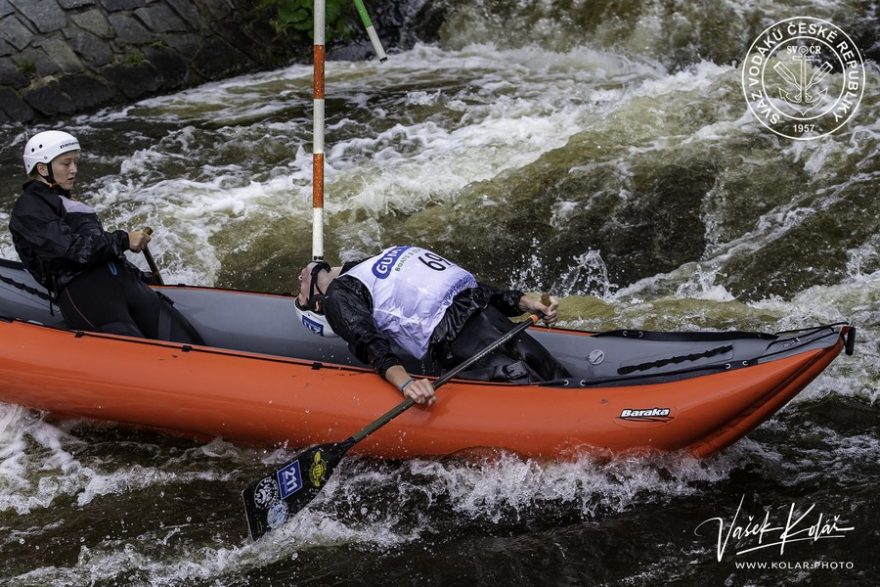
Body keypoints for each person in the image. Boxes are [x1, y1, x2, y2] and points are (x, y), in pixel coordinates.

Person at [294, 245, 571, 405]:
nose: (299, 278)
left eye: (300, 292)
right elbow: (368, 341)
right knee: (546, 382)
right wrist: (524, 301)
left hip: (477, 333)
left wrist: (524, 301)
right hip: (480, 331)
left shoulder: (344, 289)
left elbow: (369, 343)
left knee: (544, 387)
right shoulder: (380, 260)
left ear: (318, 303)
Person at [9, 130, 202, 343]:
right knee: (143, 362)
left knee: (195, 347)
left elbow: (102, 252)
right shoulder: (28, 209)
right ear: (42, 168)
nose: (74, 169)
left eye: (75, 162)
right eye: (66, 163)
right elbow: (74, 252)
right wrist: (124, 239)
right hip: (89, 297)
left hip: (126, 287)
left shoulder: (71, 203)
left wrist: (141, 277)